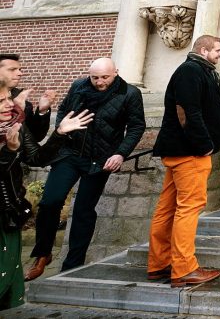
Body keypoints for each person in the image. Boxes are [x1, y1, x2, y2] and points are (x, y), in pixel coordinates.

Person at [24, 58, 144, 281]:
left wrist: (120, 153)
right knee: (50, 201)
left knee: (83, 211)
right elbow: (63, 111)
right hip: (70, 153)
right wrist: (64, 129)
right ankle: (42, 254)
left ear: (115, 73)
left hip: (100, 160)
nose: (99, 82)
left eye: (105, 77)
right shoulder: (78, 86)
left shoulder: (130, 93)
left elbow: (137, 126)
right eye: (95, 77)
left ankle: (72, 266)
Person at [0, 77, 92, 310]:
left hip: (9, 213)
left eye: (9, 99)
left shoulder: (16, 128)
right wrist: (9, 152)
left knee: (10, 281)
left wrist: (59, 133)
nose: (9, 105)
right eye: (1, 101)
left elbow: (37, 158)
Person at [147, 35, 220, 287]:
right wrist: (204, 145)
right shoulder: (191, 71)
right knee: (189, 207)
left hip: (182, 150)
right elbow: (187, 112)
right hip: (190, 152)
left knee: (169, 208)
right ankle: (183, 268)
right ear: (203, 50)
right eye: (217, 50)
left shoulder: (198, 70)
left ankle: (159, 264)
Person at [0, 53, 57, 140]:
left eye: (19, 69)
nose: (20, 73)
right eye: (12, 69)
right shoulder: (18, 103)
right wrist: (17, 111)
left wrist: (42, 111)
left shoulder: (23, 100)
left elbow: (36, 137)